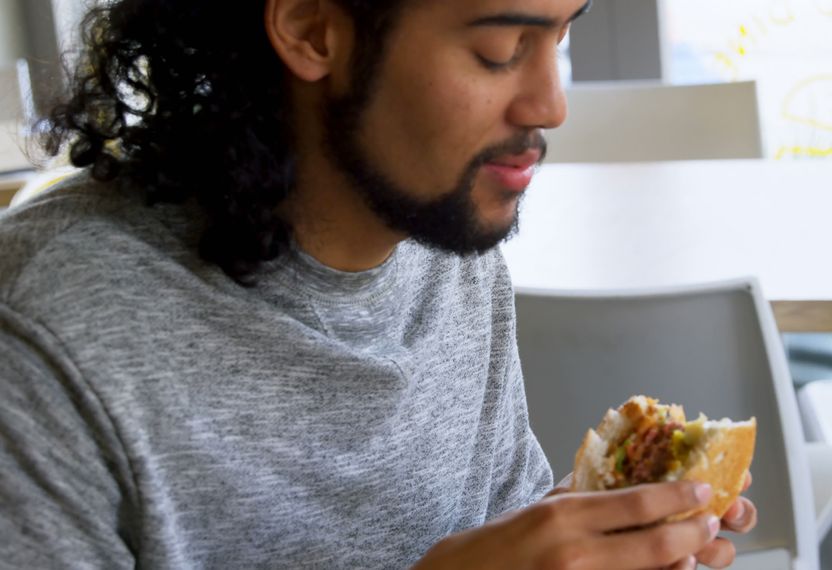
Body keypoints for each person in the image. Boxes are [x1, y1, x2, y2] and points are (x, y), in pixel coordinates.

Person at [0, 0, 758, 568]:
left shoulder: (449, 250)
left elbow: (487, 530)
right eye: (500, 50)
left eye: (561, 38)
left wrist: (577, 538)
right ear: (309, 28)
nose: (550, 105)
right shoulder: (45, 332)